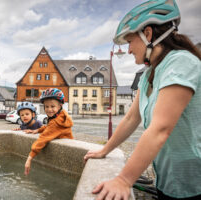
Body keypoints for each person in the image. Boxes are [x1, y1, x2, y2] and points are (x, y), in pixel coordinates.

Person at [84, 0, 201, 199]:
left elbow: (161, 129)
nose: (128, 50)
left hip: (193, 180)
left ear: (147, 34)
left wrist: (124, 180)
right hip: (169, 178)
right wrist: (105, 149)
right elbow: (131, 119)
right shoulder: (149, 74)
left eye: (130, 41)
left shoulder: (181, 61)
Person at [24, 88, 73, 175]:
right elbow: (49, 127)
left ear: (60, 106)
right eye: (46, 106)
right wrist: (38, 130)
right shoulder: (60, 116)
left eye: (52, 106)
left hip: (65, 155)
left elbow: (42, 139)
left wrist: (29, 158)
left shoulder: (56, 122)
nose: (49, 109)